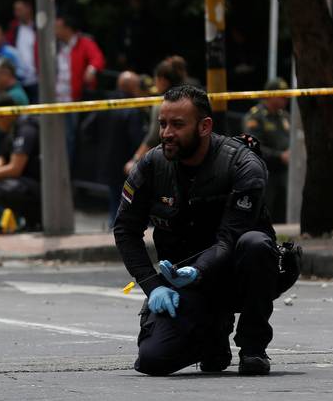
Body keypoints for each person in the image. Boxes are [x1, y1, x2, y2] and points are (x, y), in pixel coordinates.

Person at [114, 85, 281, 376]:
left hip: (236, 273)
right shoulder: (152, 165)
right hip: (184, 283)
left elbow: (230, 238)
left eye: (177, 125)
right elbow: (125, 229)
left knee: (256, 244)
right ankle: (212, 334)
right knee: (153, 360)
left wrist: (200, 269)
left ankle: (253, 346)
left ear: (204, 126)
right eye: (163, 124)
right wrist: (152, 286)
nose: (166, 133)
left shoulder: (242, 165)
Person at [95, 71, 147, 227]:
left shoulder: (106, 105)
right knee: (129, 203)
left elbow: (87, 130)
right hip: (128, 164)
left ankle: (114, 231)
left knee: (115, 203)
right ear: (133, 88)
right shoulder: (132, 109)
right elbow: (137, 138)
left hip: (109, 162)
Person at [54, 14, 106, 164]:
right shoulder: (55, 45)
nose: (55, 31)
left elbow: (98, 58)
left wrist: (92, 69)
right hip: (55, 98)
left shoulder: (84, 42)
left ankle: (67, 168)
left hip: (73, 99)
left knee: (70, 135)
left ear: (67, 29)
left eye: (58, 27)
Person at [124, 58, 185, 176]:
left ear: (162, 80)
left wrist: (135, 159)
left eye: (155, 78)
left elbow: (152, 137)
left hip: (169, 159)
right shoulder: (188, 98)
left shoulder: (161, 103)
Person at [243, 77, 290, 223]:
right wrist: (279, 156)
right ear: (270, 95)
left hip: (284, 173)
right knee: (265, 214)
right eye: (281, 95)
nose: (285, 98)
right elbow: (252, 145)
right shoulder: (255, 117)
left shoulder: (285, 116)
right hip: (265, 173)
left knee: (283, 214)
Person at [5, 0, 39, 102]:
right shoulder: (14, 28)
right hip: (19, 79)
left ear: (28, 8)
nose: (17, 13)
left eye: (19, 9)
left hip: (37, 80)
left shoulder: (39, 27)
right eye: (15, 10)